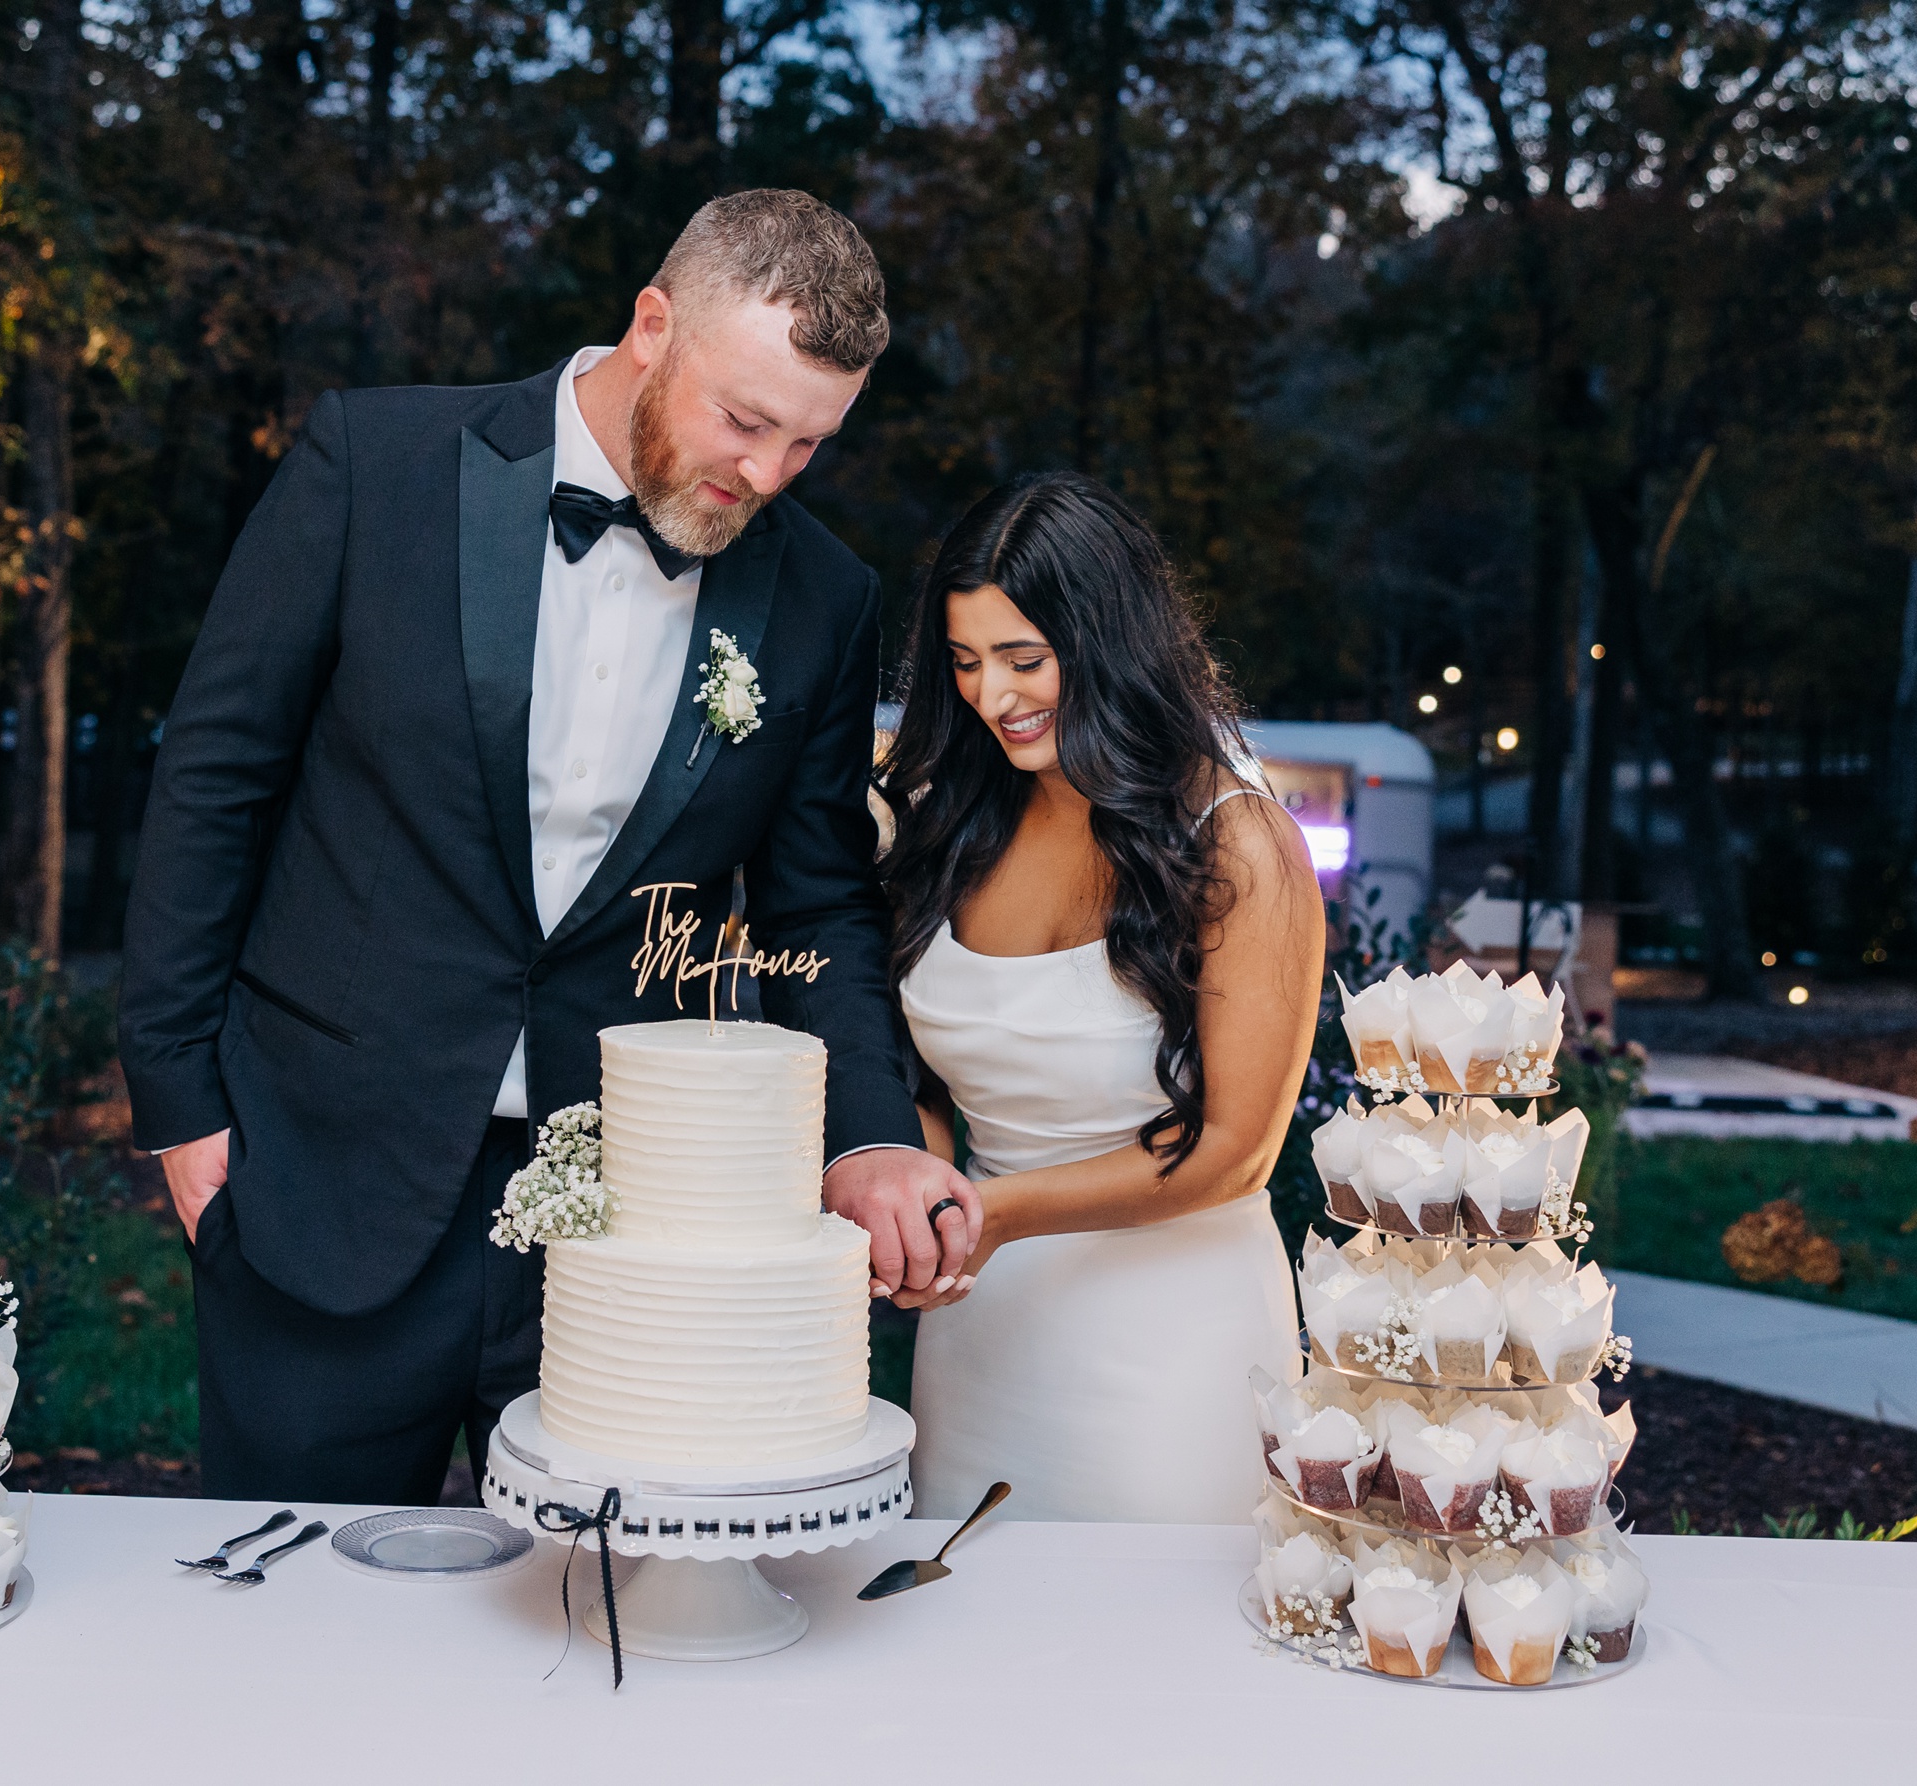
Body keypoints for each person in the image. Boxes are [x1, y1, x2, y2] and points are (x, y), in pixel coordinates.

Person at [119, 191, 978, 1504]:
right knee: (293, 1626)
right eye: (745, 422)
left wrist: (865, 1137)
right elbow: (214, 781)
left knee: (599, 1630)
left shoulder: (821, 596)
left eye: (809, 444)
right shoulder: (380, 462)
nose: (766, 476)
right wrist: (181, 1106)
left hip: (626, 1232)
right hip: (318, 1177)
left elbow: (818, 905)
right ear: (651, 325)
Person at [880, 472, 1323, 1523]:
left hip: (1171, 1342)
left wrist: (990, 1214)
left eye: (1024, 659)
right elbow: (921, 1076)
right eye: (966, 662)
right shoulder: (950, 823)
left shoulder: (1237, 841)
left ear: (1110, 639)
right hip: (980, 1331)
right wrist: (925, 1186)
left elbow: (1237, 1151)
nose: (994, 696)